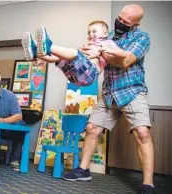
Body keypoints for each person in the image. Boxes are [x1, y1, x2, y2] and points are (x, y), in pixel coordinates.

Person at [63, 4, 154, 194]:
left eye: (126, 22)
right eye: (119, 18)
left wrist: (102, 52)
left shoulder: (142, 37)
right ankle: (83, 170)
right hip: (109, 92)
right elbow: (92, 57)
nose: (120, 23)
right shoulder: (108, 35)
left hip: (132, 91)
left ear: (136, 24)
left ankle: (148, 183)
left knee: (143, 133)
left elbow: (126, 61)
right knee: (91, 128)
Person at [21, 21, 117, 86]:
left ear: (105, 34)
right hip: (75, 77)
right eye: (89, 32)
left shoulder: (107, 43)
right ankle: (36, 53)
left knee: (75, 52)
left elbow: (114, 52)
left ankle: (48, 46)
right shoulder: (88, 45)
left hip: (90, 74)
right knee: (61, 57)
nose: (91, 34)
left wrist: (99, 50)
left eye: (94, 31)